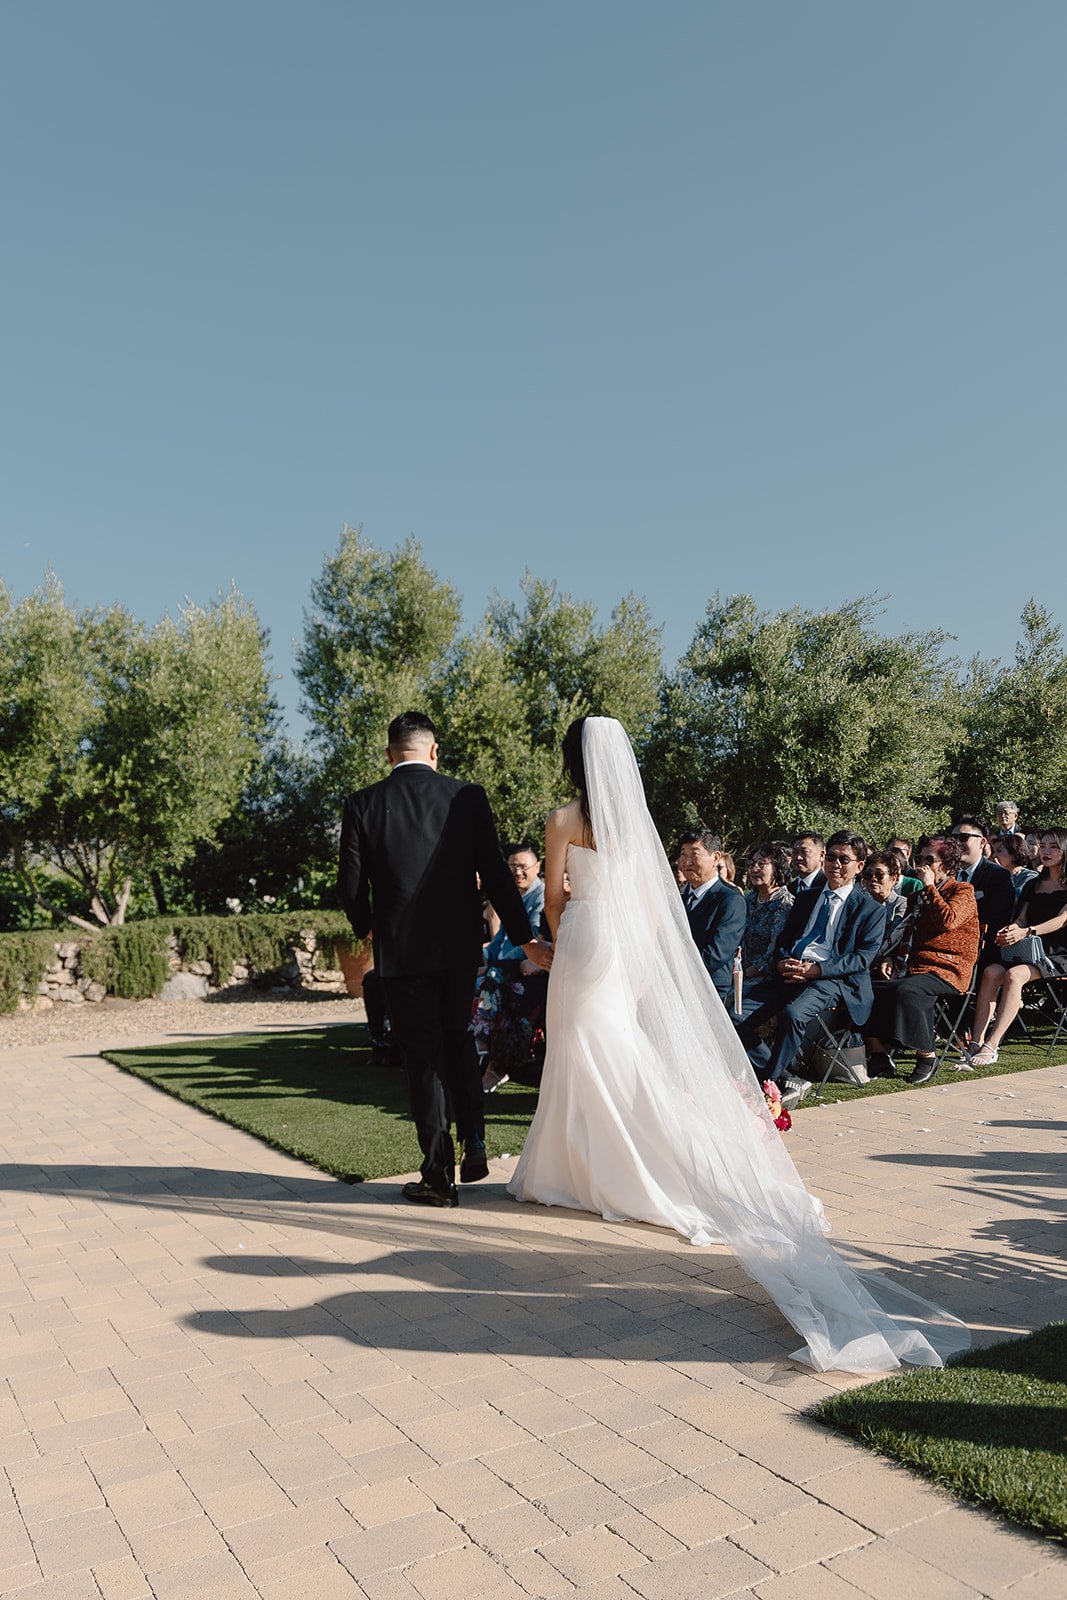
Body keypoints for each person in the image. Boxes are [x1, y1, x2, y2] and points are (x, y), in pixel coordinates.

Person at [509, 717, 966, 1375]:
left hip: (584, 939)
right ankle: (609, 1164)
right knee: (611, 1047)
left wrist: (563, 933)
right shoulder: (636, 823)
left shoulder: (562, 819)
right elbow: (651, 902)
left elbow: (553, 898)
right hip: (623, 945)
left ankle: (593, 1167)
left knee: (584, 1049)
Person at [339, 711, 552, 1207]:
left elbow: (350, 887)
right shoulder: (467, 797)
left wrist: (368, 925)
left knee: (421, 1057)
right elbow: (498, 877)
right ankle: (474, 1140)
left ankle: (438, 1175)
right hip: (458, 948)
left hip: (402, 952)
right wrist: (526, 940)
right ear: (434, 752)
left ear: (390, 754)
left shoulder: (363, 804)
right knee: (457, 1040)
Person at [736, 831, 886, 1106]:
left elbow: (860, 959)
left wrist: (816, 970)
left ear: (860, 866)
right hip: (790, 972)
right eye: (831, 857)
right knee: (731, 1013)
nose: (835, 864)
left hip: (831, 979)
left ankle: (768, 1083)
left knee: (793, 1014)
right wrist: (782, 961)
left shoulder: (871, 909)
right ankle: (781, 1076)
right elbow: (784, 940)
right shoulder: (806, 898)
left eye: (844, 859)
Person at [863, 836, 980, 1084]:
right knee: (863, 988)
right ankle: (879, 1053)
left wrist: (929, 888)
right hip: (915, 966)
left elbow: (947, 922)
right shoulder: (919, 897)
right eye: (920, 859)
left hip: (948, 968)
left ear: (947, 865)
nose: (922, 866)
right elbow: (906, 933)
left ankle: (927, 1056)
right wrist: (891, 958)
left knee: (909, 990)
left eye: (930, 860)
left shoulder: (963, 891)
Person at [965, 828, 1067, 1067]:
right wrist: (1012, 930)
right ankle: (975, 1041)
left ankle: (993, 1044)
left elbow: (1062, 920)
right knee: (991, 971)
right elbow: (1021, 917)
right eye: (1042, 846)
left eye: (1053, 846)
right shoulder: (1035, 883)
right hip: (1029, 947)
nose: (1046, 851)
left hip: (1059, 951)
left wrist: (1028, 931)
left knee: (1014, 974)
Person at [476, 843, 549, 1093]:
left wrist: (495, 962)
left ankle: (483, 1046)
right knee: (475, 975)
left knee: (494, 976)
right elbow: (499, 941)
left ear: (537, 867)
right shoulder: (514, 896)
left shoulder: (542, 897)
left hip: (530, 968)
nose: (517, 872)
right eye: (512, 867)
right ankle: (476, 1048)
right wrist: (482, 957)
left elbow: (531, 942)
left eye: (522, 866)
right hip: (508, 966)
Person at [677, 828, 747, 1003]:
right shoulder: (679, 897)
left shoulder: (731, 900)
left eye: (694, 854)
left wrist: (676, 969)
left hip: (708, 988)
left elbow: (715, 954)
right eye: (683, 855)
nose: (687, 862)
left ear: (715, 858)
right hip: (675, 982)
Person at [951, 816, 1016, 969]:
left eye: (963, 838)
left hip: (979, 953)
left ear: (982, 842)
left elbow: (997, 920)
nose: (956, 844)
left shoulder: (998, 876)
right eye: (952, 839)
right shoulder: (947, 873)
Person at [741, 842, 794, 983]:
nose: (754, 868)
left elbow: (773, 952)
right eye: (751, 864)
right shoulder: (748, 899)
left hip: (764, 979)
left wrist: (745, 974)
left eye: (761, 863)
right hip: (736, 971)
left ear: (777, 868)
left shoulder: (785, 904)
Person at [991, 832, 1039, 902]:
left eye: (999, 851)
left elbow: (1016, 900)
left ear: (1014, 854)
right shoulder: (992, 876)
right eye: (993, 851)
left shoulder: (1029, 877)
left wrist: (1002, 874)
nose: (994, 856)